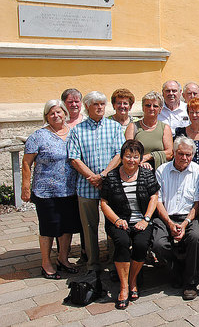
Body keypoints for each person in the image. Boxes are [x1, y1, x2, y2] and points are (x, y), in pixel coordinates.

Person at [68, 91, 125, 275]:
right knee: (89, 227)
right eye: (95, 104)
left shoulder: (114, 127)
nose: (100, 107)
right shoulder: (78, 130)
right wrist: (92, 176)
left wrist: (104, 175)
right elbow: (74, 159)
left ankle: (115, 260)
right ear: (87, 107)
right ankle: (92, 263)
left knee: (113, 224)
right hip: (86, 186)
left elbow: (119, 153)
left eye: (102, 104)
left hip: (110, 185)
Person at [22, 100, 80, 279]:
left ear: (65, 113)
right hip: (46, 191)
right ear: (46, 116)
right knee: (48, 227)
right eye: (52, 113)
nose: (56, 116)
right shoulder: (38, 136)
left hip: (70, 189)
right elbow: (26, 162)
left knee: (67, 226)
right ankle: (46, 262)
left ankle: (63, 258)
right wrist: (25, 187)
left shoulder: (73, 133)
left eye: (59, 112)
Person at [100, 140, 159, 309]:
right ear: (121, 157)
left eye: (135, 157)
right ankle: (124, 287)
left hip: (142, 220)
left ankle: (133, 281)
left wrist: (146, 219)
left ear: (140, 158)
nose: (131, 160)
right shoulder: (111, 176)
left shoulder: (147, 174)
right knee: (123, 243)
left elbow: (154, 197)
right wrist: (117, 220)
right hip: (118, 220)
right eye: (128, 156)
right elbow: (104, 203)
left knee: (141, 244)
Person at [153, 137, 199, 300]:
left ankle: (190, 282)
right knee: (158, 243)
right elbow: (158, 201)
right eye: (181, 154)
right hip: (166, 216)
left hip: (189, 216)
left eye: (188, 155)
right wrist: (170, 223)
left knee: (195, 237)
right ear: (174, 153)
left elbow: (197, 203)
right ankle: (176, 267)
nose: (184, 158)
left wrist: (186, 222)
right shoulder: (162, 170)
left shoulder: (197, 171)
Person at [125, 91, 173, 170]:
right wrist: (141, 162)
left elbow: (169, 153)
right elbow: (128, 152)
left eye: (155, 106)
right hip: (138, 169)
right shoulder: (133, 127)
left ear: (160, 109)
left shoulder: (165, 128)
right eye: (148, 105)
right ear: (143, 107)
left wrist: (148, 156)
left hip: (160, 171)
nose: (151, 108)